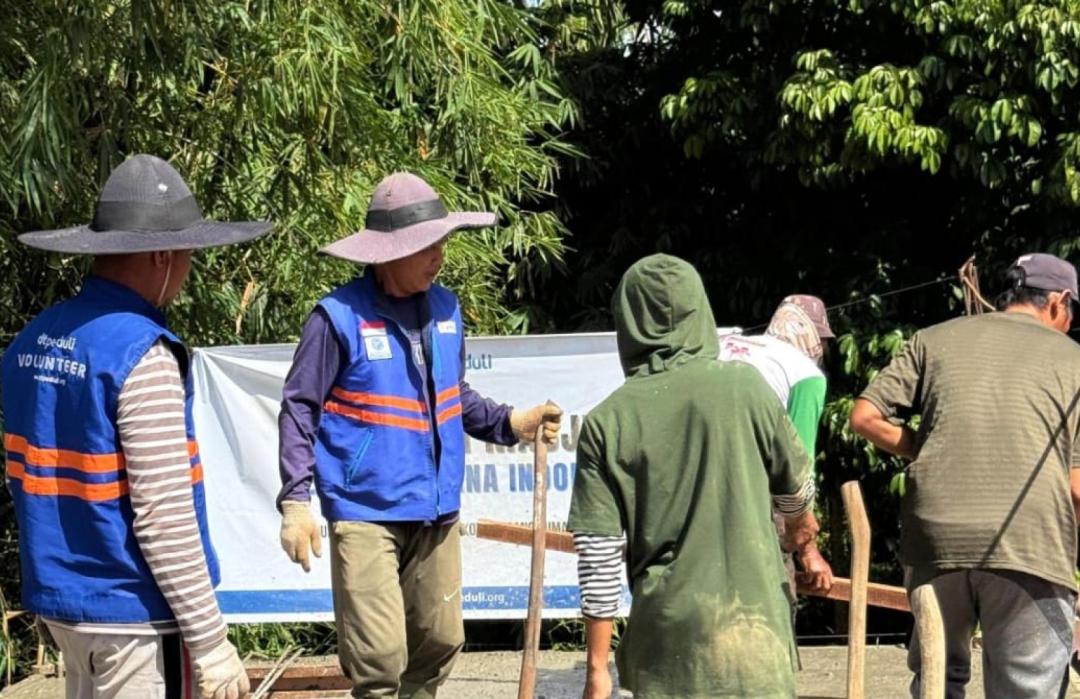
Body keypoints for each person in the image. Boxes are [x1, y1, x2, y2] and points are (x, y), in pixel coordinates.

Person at [275, 172, 562, 699]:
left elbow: (454, 397)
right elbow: (299, 408)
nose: (440, 256)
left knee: (440, 641)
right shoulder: (335, 319)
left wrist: (510, 423)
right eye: (427, 246)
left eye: (443, 242)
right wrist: (296, 501)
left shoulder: (447, 310)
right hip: (365, 513)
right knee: (380, 659)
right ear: (388, 252)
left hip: (436, 509)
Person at [1, 154, 272, 699]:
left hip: (63, 604)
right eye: (190, 253)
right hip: (133, 615)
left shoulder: (34, 340)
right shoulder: (140, 355)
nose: (191, 269)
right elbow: (163, 516)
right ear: (161, 255)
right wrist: (212, 643)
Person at [568, 254, 820, 699]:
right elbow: (796, 489)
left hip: (668, 646)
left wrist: (596, 672)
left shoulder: (607, 422)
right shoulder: (745, 387)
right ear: (700, 312)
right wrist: (801, 529)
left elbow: (599, 557)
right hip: (755, 635)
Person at [850, 252, 1080, 698]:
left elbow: (864, 417)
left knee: (940, 679)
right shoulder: (1075, 361)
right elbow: (1075, 486)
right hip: (1030, 544)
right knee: (1027, 688)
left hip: (936, 540)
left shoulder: (933, 339)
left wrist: (925, 444)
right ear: (1059, 301)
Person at [718, 295, 835, 593]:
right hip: (752, 506)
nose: (822, 351)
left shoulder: (724, 348)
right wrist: (807, 549)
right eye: (823, 341)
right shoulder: (805, 374)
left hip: (693, 500)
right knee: (772, 609)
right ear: (811, 334)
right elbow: (796, 467)